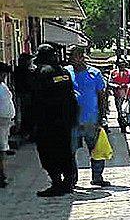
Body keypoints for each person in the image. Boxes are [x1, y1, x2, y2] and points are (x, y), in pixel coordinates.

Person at [32, 44, 79, 197]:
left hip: (48, 122)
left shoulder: (41, 73)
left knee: (48, 152)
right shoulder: (64, 72)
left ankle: (57, 184)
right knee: (65, 152)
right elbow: (70, 95)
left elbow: (35, 99)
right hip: (65, 121)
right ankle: (68, 182)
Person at [65, 46, 110, 187]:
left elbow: (102, 96)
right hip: (72, 119)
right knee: (70, 151)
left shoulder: (95, 73)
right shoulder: (66, 72)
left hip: (91, 119)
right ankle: (72, 179)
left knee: (96, 150)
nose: (69, 58)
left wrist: (102, 117)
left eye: (71, 55)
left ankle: (97, 177)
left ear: (80, 56)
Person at [13, 52, 35, 140]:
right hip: (26, 94)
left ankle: (24, 131)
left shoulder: (17, 70)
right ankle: (26, 132)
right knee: (27, 114)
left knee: (23, 113)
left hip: (21, 94)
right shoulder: (25, 71)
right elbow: (30, 83)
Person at [110, 58, 130, 133]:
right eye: (120, 64)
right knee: (120, 112)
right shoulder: (113, 72)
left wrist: (126, 85)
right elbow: (110, 82)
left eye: (123, 64)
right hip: (118, 95)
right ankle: (122, 126)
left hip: (129, 95)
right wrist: (116, 86)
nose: (122, 66)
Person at [0, 63, 15, 188]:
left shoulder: (2, 86)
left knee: (3, 149)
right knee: (2, 150)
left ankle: (2, 175)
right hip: (1, 121)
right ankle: (1, 176)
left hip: (4, 122)